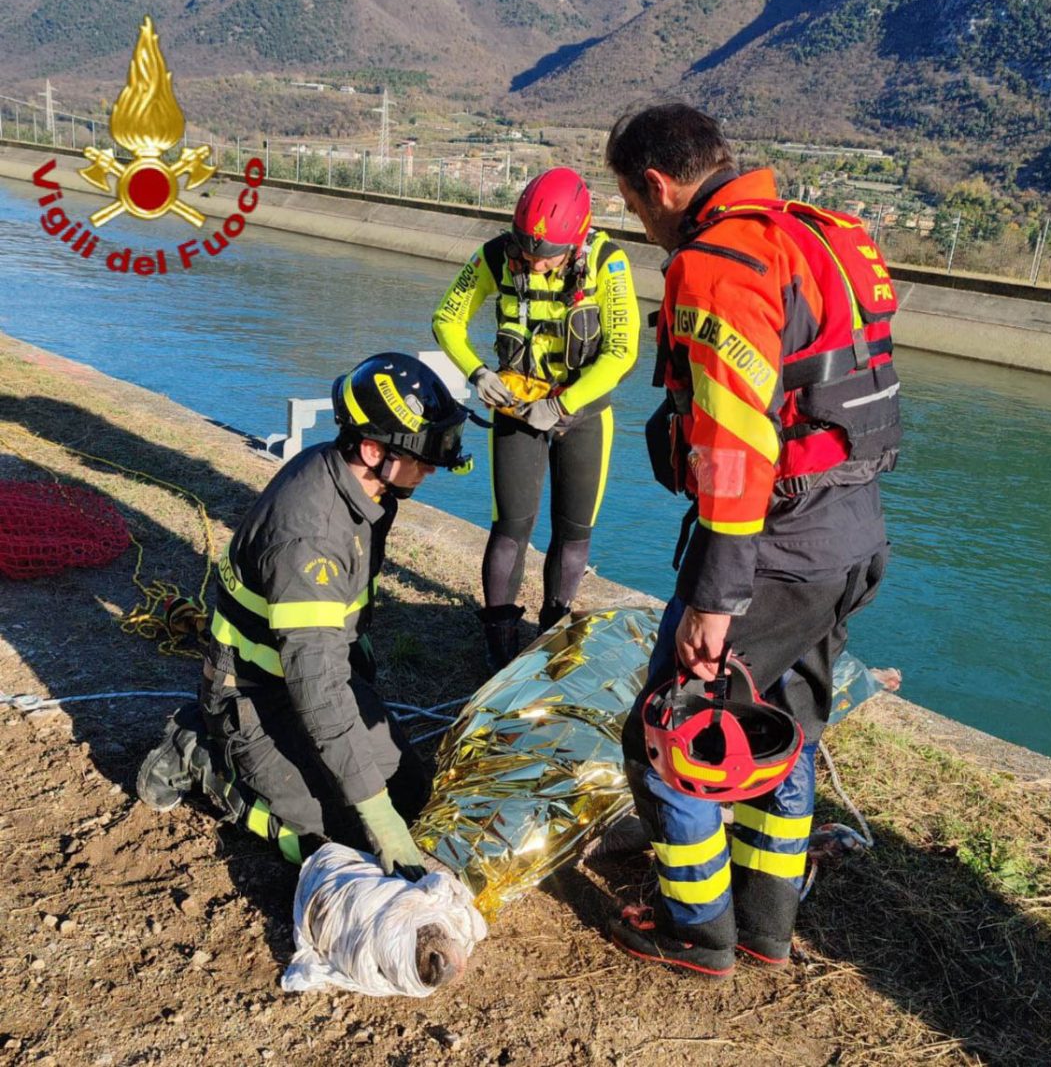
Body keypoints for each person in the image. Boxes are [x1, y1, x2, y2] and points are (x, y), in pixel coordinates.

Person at [603, 104, 901, 976]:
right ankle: (769, 923)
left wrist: (714, 595)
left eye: (630, 203)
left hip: (771, 547)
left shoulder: (718, 262)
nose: (640, 223)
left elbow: (734, 442)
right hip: (853, 534)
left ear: (655, 185)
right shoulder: (829, 233)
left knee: (671, 737)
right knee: (786, 727)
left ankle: (699, 931)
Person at [137, 352, 481, 880]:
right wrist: (378, 821)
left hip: (312, 670)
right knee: (345, 840)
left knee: (412, 798)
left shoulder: (357, 479)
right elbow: (317, 689)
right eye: (423, 454)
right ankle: (202, 757)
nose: (432, 467)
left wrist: (355, 654)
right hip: (252, 693)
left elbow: (326, 656)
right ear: (372, 449)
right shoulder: (309, 537)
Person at [432, 166, 640, 671]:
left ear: (577, 240)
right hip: (517, 409)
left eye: (545, 257)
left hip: (583, 415)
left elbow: (622, 351)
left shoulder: (608, 265)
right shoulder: (495, 256)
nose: (533, 264)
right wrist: (478, 373)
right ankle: (499, 646)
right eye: (526, 252)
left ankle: (553, 635)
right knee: (511, 529)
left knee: (573, 534)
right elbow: (447, 319)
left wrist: (562, 405)